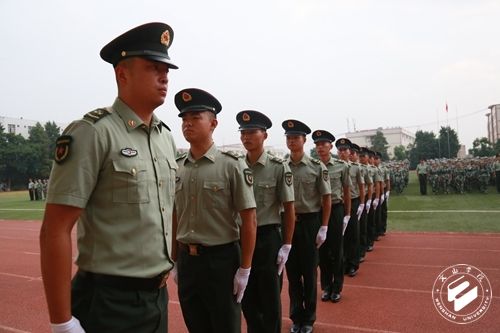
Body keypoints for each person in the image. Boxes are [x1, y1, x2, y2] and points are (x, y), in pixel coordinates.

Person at [39, 22, 179, 333]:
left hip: (156, 299)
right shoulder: (93, 132)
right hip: (108, 304)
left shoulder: (165, 138)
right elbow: (55, 229)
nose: (164, 76)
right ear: (123, 74)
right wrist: (61, 321)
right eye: (153, 67)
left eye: (166, 69)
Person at [172, 88, 257, 333]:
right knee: (196, 325)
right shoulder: (178, 168)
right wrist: (175, 260)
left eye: (195, 118)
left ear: (213, 123)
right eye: (184, 119)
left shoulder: (231, 165)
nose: (188, 124)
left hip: (221, 262)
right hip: (188, 261)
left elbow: (249, 219)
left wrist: (245, 268)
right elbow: (176, 216)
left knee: (225, 326)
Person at [236, 110, 295, 333]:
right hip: (241, 239)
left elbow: (289, 208)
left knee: (270, 300)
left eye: (252, 132)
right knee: (247, 298)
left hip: (267, 239)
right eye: (243, 132)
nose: (246, 137)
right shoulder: (236, 166)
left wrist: (287, 244)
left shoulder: (278, 167)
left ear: (265, 136)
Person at [282, 120, 331, 333]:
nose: (292, 141)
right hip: (288, 224)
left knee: (309, 274)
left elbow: (327, 198)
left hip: (310, 223)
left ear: (304, 140)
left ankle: (309, 318)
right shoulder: (280, 166)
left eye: (296, 137)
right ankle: (296, 317)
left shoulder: (316, 167)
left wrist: (324, 227)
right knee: (292, 273)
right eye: (288, 137)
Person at [314, 133, 350, 304]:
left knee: (336, 250)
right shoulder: (312, 166)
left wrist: (347, 214)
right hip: (318, 212)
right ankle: (326, 286)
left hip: (336, 210)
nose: (320, 147)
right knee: (322, 251)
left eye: (323, 144)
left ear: (330, 146)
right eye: (317, 144)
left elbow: (347, 191)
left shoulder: (341, 166)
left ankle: (337, 287)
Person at [344, 142, 364, 276]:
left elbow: (362, 186)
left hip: (353, 200)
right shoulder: (334, 166)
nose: (345, 153)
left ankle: (353, 264)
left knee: (352, 233)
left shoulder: (356, 168)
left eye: (347, 151)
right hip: (340, 203)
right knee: (341, 236)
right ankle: (343, 262)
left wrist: (362, 203)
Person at [357, 147, 373, 263]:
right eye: (360, 156)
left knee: (365, 223)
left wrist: (370, 199)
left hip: (366, 196)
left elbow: (371, 184)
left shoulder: (368, 169)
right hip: (354, 198)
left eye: (363, 156)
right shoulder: (354, 167)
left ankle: (365, 245)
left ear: (368, 158)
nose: (361, 158)